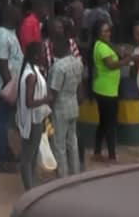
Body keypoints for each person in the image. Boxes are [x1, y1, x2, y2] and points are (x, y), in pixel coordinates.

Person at [92, 21, 134, 163]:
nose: (107, 33)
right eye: (104, 31)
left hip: (106, 89)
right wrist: (128, 60)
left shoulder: (104, 45)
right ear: (98, 33)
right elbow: (111, 65)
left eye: (108, 31)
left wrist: (122, 54)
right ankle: (112, 155)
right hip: (106, 91)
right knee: (110, 124)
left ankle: (97, 152)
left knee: (104, 123)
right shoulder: (102, 47)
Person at [0, 5, 23, 173]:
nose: (20, 15)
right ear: (9, 15)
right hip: (7, 87)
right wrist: (11, 89)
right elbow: (3, 66)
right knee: (2, 123)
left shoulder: (11, 33)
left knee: (6, 121)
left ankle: (7, 152)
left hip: (13, 84)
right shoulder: (2, 36)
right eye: (17, 13)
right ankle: (2, 158)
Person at [17, 42, 52, 190]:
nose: (46, 55)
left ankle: (31, 185)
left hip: (36, 118)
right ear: (36, 56)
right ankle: (29, 188)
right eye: (43, 52)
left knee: (32, 154)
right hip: (32, 121)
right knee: (28, 156)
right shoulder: (31, 76)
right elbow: (29, 102)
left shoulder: (34, 70)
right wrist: (45, 100)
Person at [48, 36, 82, 177]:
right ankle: (76, 173)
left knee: (59, 144)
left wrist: (47, 108)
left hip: (60, 108)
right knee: (73, 142)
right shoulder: (78, 63)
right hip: (73, 105)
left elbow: (54, 92)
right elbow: (79, 85)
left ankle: (63, 176)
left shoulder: (58, 67)